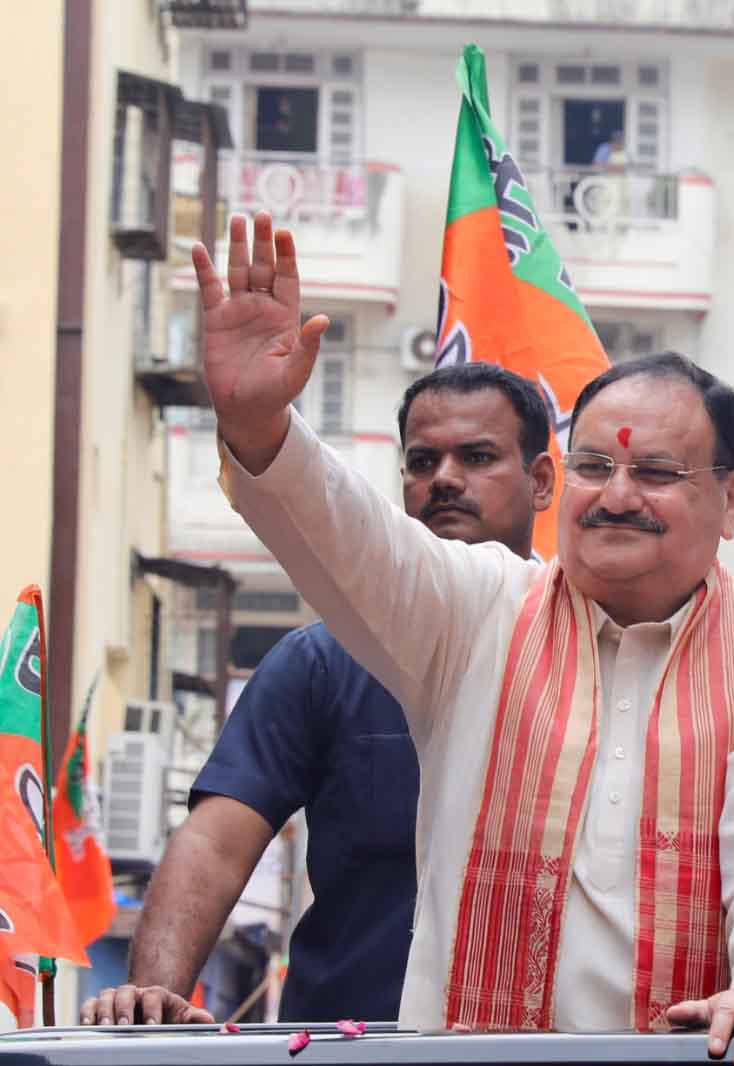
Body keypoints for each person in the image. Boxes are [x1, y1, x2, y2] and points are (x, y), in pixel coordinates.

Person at [189, 213, 734, 1064]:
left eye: (656, 472)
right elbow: (352, 538)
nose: (617, 496)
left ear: (731, 502)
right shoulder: (478, 608)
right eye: (592, 467)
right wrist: (262, 426)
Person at [79, 361, 556, 1026]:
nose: (444, 479)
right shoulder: (319, 663)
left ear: (541, 482)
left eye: (477, 457)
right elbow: (215, 844)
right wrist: (154, 996)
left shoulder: (595, 654)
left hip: (537, 1048)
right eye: (422, 461)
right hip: (344, 1047)